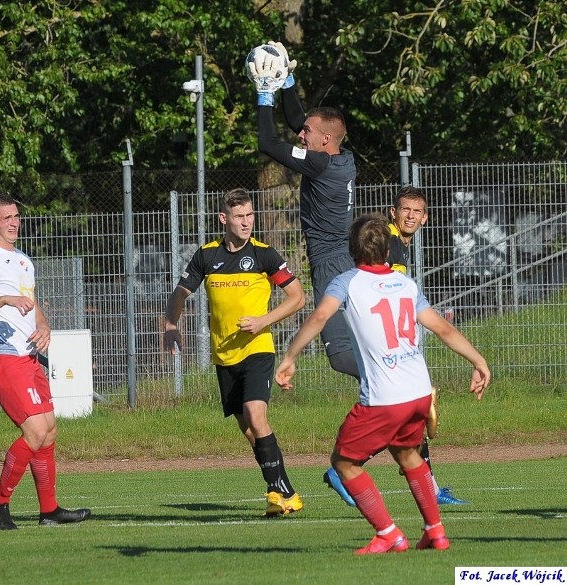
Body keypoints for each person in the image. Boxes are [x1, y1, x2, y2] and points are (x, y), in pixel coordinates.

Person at [275, 213, 490, 554]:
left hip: (384, 398)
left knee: (344, 462)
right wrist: (479, 361)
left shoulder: (347, 281)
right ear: (387, 250)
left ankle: (388, 533)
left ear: (352, 251)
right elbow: (444, 329)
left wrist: (290, 356)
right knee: (408, 455)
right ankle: (436, 532)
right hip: (420, 391)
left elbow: (319, 317)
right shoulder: (407, 285)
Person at [163, 188, 307, 517]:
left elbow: (298, 297)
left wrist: (263, 321)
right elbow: (180, 293)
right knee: (248, 429)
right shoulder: (206, 255)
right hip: (223, 356)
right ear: (224, 219)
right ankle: (286, 491)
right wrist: (171, 325)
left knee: (257, 416)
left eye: (250, 215)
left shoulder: (264, 255)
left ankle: (275, 492)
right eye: (240, 216)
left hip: (258, 350)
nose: (247, 222)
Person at [324, 187, 469, 506]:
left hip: (385, 349)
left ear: (425, 218)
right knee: (406, 406)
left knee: (407, 412)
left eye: (417, 212)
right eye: (405, 210)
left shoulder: (395, 247)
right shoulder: (387, 245)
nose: (410, 216)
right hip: (375, 349)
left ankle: (425, 487)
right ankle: (346, 466)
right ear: (393, 212)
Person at [0, 192, 91, 530]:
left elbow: (31, 304)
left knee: (48, 432)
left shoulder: (23, 260)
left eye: (16, 216)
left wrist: (43, 324)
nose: (14, 222)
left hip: (28, 358)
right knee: (34, 431)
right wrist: (3, 298)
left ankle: (49, 510)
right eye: (7, 218)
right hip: (2, 359)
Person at [252, 41, 360, 382]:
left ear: (325, 140)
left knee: (341, 356)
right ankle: (401, 404)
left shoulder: (319, 164)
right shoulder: (342, 157)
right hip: (345, 257)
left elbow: (268, 144)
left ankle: (405, 387)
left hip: (330, 262)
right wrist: (287, 80)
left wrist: (264, 94)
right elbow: (300, 120)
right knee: (359, 346)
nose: (301, 135)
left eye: (308, 134)